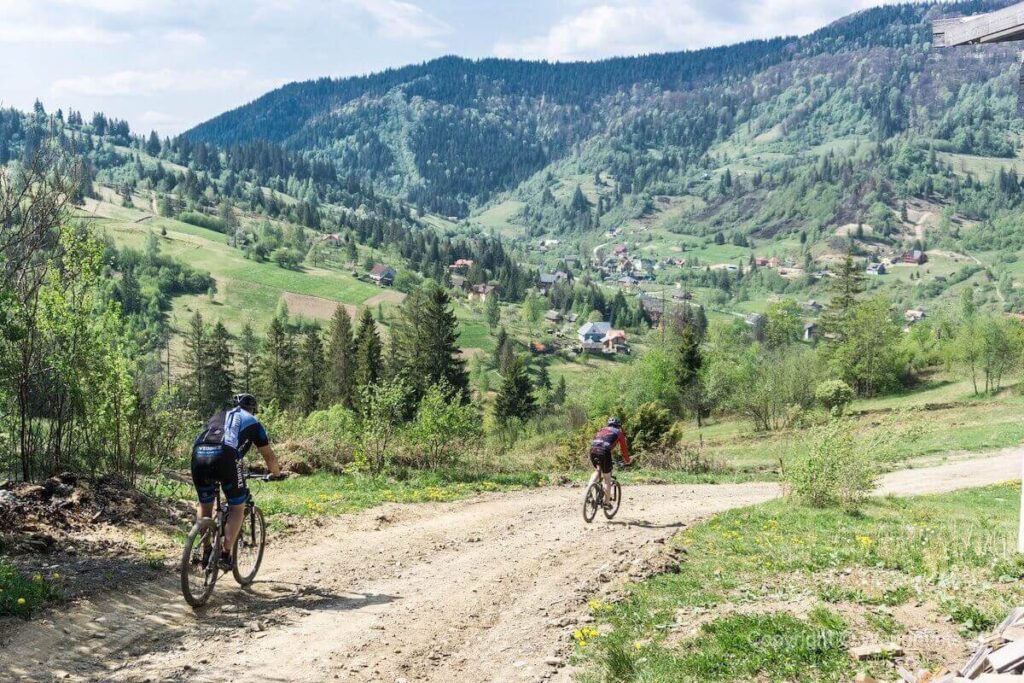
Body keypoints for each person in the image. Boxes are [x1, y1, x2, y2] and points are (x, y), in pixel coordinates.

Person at [191, 393, 282, 570]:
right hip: (225, 456)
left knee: (205, 504)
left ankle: (206, 549)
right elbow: (269, 456)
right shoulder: (253, 422)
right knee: (237, 507)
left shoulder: (218, 415)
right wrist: (276, 474)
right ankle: (226, 554)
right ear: (253, 409)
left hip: (198, 454)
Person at [588, 416, 631, 507]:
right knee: (607, 478)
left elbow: (597, 441)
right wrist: (627, 461)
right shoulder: (619, 433)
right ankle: (607, 503)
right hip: (604, 452)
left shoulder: (602, 430)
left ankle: (588, 491)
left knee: (598, 470)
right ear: (618, 425)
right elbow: (624, 449)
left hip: (593, 450)